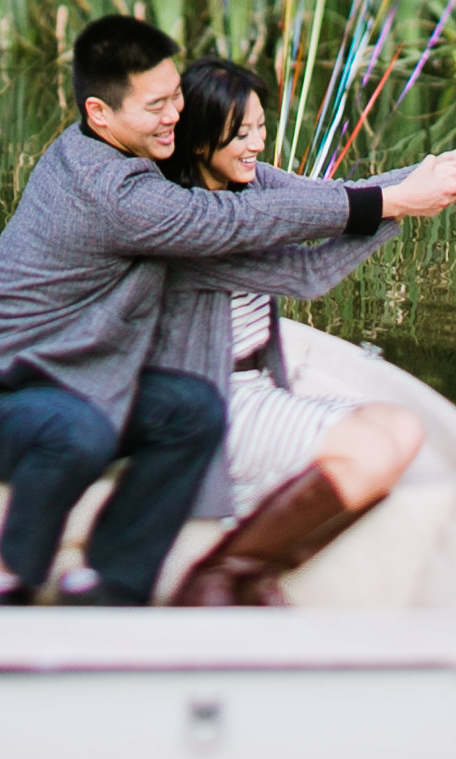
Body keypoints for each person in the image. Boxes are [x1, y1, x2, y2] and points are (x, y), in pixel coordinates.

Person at [0, 14, 456, 607]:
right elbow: (247, 233)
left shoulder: (166, 167)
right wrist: (399, 204)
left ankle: (110, 582)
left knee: (190, 409)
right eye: (155, 105)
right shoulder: (121, 195)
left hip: (76, 374)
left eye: (176, 95)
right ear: (101, 113)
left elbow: (310, 198)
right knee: (79, 431)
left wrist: (426, 176)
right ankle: (11, 581)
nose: (173, 115)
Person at [150, 57, 428, 607]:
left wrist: (433, 172)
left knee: (404, 429)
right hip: (210, 400)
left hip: (257, 388)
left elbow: (335, 197)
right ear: (201, 140)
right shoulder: (186, 220)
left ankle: (252, 575)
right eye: (241, 133)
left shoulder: (248, 181)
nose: (257, 144)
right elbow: (308, 273)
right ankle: (215, 578)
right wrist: (407, 207)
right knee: (371, 453)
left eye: (260, 127)